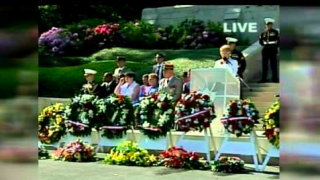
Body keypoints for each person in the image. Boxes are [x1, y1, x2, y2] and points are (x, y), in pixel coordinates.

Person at [258, 17, 280, 83]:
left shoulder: (275, 32)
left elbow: (279, 41)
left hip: (273, 50)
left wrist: (275, 46)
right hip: (265, 50)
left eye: (269, 24)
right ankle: (264, 79)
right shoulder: (263, 33)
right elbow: (260, 41)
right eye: (267, 24)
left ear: (272, 25)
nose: (268, 26)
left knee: (273, 65)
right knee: (264, 65)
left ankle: (275, 79)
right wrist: (265, 45)